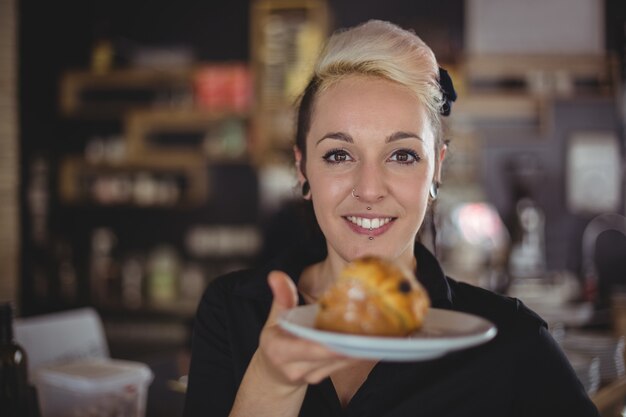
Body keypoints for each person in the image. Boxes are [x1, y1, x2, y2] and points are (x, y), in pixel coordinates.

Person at [183, 20, 600, 417]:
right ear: (302, 168)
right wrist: (273, 379)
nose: (369, 189)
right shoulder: (234, 311)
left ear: (436, 168)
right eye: (338, 155)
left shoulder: (511, 340)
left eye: (402, 155)